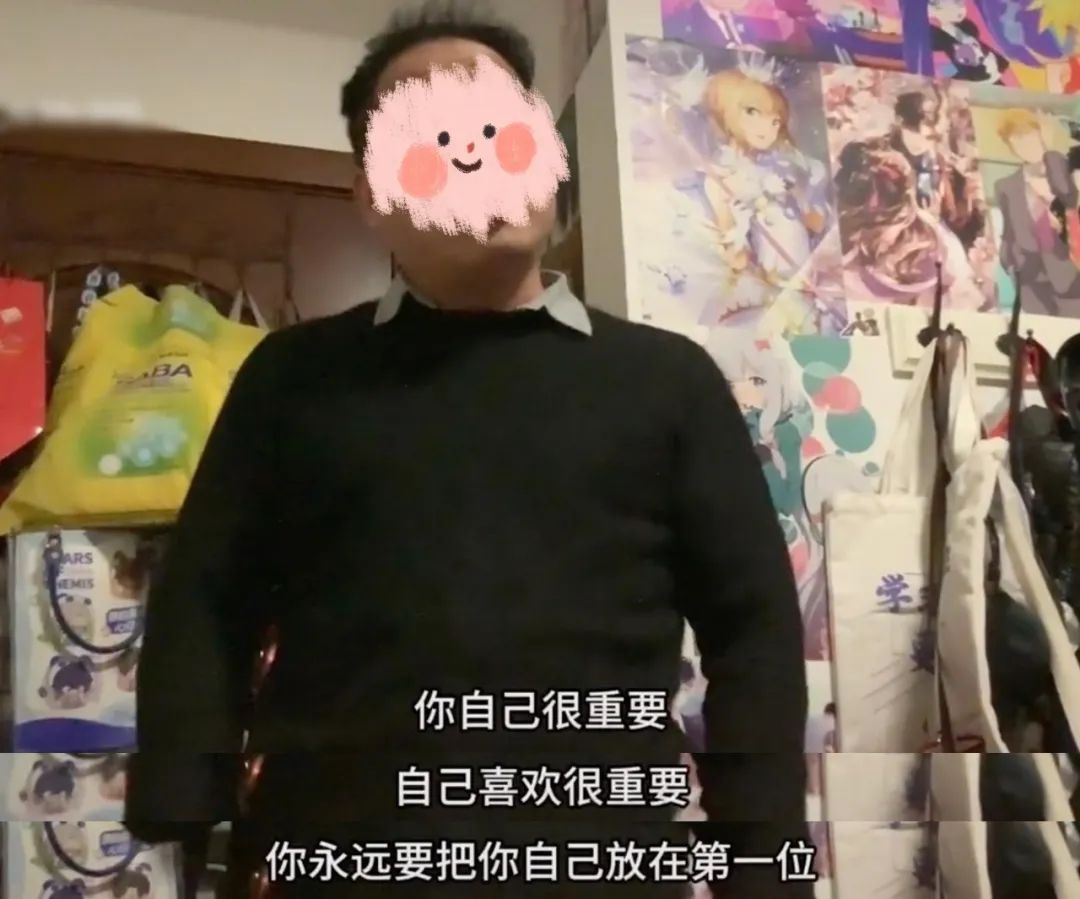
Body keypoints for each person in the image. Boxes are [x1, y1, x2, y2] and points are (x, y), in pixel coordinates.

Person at [123, 3, 808, 898]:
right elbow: (207, 598)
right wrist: (181, 801)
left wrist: (764, 863)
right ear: (373, 195)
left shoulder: (667, 380)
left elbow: (753, 629)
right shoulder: (293, 377)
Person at [994, 109, 1080, 316]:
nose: (1026, 146)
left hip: (1070, 275)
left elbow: (1069, 196)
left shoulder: (1063, 169)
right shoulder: (1005, 186)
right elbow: (1008, 234)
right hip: (1030, 281)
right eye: (1017, 141)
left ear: (1041, 135)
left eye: (1028, 136)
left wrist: (1049, 152)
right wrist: (1010, 265)